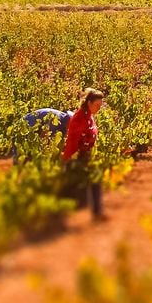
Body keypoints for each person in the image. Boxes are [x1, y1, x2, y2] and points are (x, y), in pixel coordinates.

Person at [62, 87, 105, 219]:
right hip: (77, 157)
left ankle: (96, 212)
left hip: (85, 156)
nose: (99, 108)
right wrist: (69, 160)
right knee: (88, 182)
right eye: (97, 105)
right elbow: (72, 142)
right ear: (89, 103)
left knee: (94, 180)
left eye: (100, 106)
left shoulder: (89, 116)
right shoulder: (79, 118)